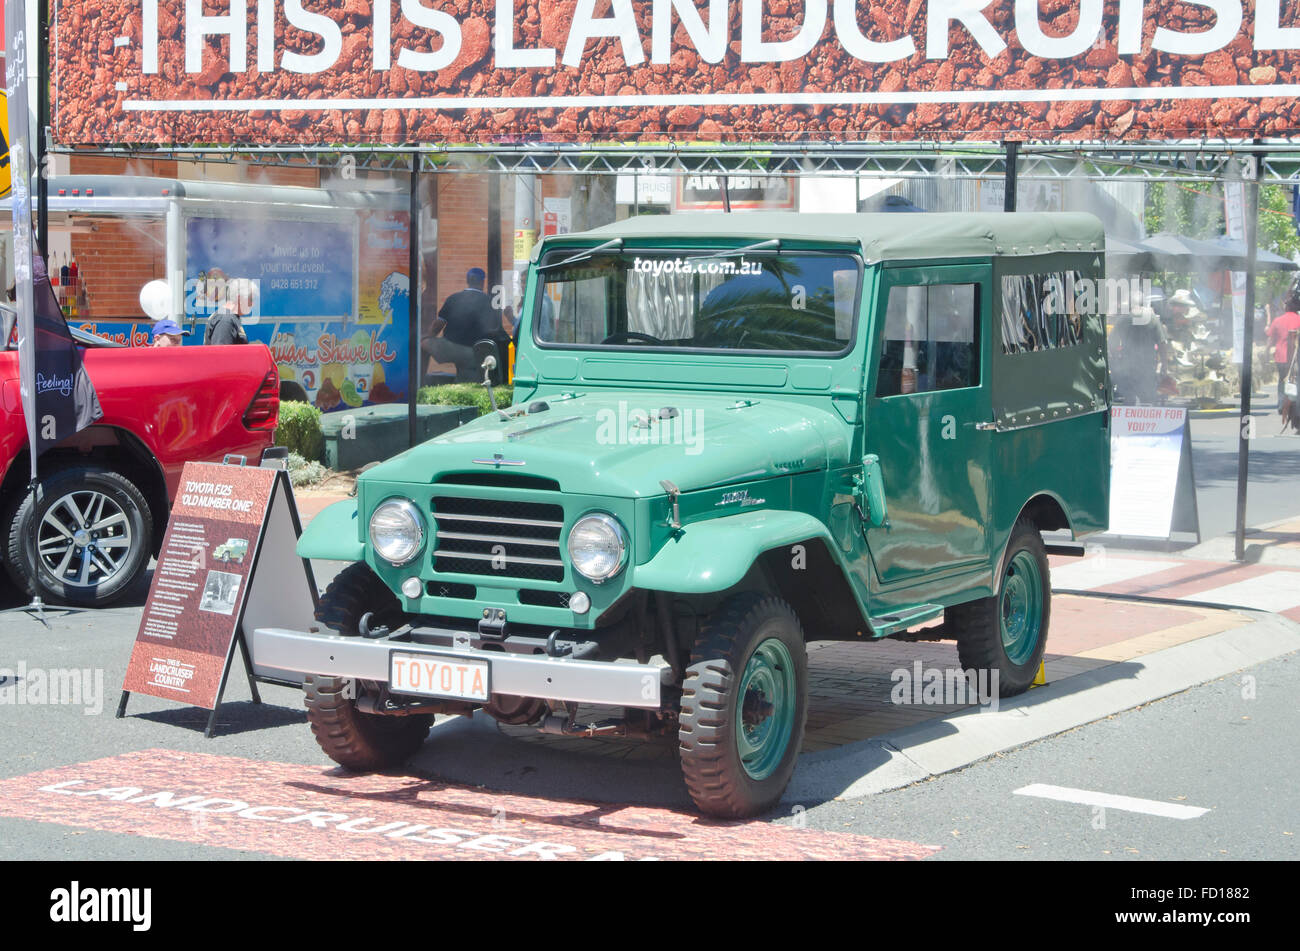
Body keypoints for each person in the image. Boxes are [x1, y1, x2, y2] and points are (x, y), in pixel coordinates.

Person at [1266, 288, 1300, 405]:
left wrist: (1266, 353)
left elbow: (1270, 340)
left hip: (1281, 356)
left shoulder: (1278, 320)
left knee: (1282, 380)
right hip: (1297, 358)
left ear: (1287, 307)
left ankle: (1281, 404)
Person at [203, 272, 250, 345]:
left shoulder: (230, 317)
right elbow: (221, 354)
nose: (251, 304)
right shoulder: (225, 320)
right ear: (239, 298)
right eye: (249, 299)